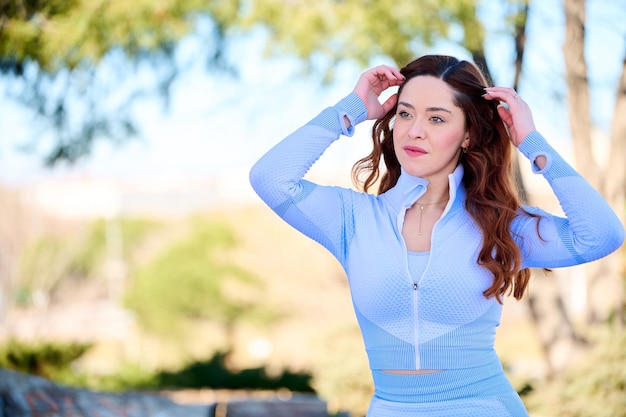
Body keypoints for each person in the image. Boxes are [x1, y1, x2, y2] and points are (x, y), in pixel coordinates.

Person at [249, 55, 625, 416]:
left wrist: (531, 142)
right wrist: (349, 108)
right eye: (405, 113)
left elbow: (601, 235)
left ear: (467, 135)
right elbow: (271, 178)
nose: (414, 130)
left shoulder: (502, 226)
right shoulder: (355, 219)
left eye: (437, 119)